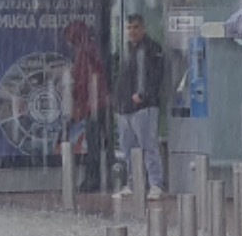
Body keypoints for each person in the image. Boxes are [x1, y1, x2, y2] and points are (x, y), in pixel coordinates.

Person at [114, 14, 169, 199]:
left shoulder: (152, 48)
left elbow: (156, 76)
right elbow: (123, 77)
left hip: (144, 106)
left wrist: (144, 96)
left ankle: (155, 184)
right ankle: (133, 182)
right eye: (129, 27)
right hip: (125, 108)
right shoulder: (127, 50)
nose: (132, 31)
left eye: (136, 27)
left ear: (143, 28)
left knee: (148, 146)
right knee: (128, 148)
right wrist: (120, 101)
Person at [62, 21, 109, 192]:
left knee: (93, 143)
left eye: (69, 37)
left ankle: (93, 179)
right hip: (95, 104)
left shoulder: (85, 52)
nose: (68, 41)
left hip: (93, 105)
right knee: (95, 142)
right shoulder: (88, 50)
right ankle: (95, 178)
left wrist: (79, 102)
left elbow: (83, 81)